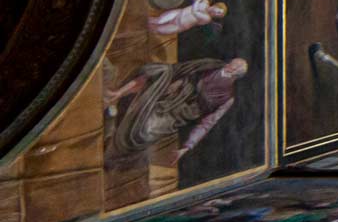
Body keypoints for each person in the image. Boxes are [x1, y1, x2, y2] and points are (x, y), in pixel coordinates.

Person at [103, 57, 248, 161]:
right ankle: (117, 94)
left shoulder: (228, 98)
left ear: (236, 74)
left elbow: (208, 123)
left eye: (234, 67)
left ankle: (111, 149)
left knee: (143, 132)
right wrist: (176, 82)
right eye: (231, 63)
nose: (229, 66)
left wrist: (187, 147)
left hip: (178, 113)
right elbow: (183, 69)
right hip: (177, 89)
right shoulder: (211, 64)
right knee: (160, 72)